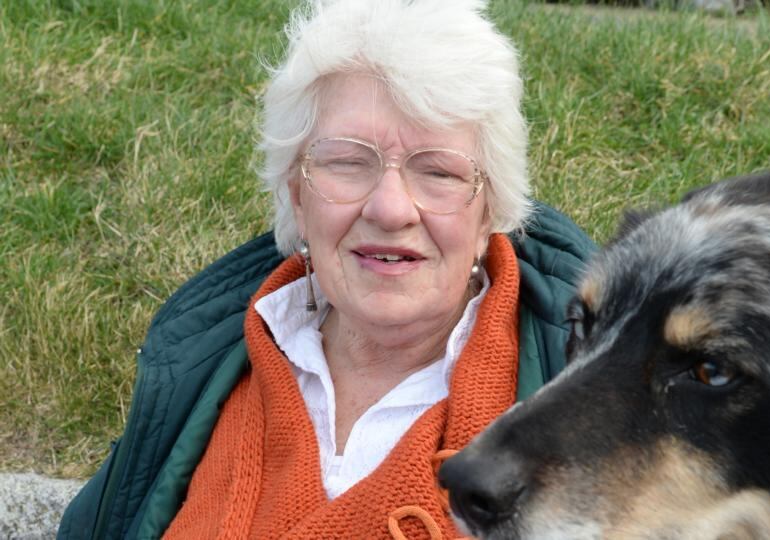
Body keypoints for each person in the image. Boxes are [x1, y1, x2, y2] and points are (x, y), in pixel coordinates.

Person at [58, 0, 594, 538]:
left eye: (438, 172)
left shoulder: (589, 398)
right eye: (347, 162)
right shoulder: (206, 362)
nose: (390, 209)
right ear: (296, 197)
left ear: (489, 214)